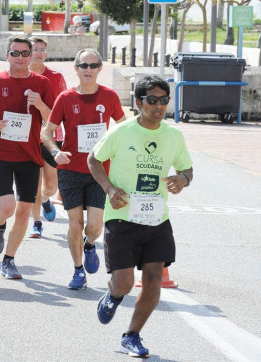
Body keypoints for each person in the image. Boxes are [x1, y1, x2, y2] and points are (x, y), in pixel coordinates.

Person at [87, 75, 193, 358]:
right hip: (121, 217)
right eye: (151, 100)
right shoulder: (121, 132)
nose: (158, 106)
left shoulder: (174, 136)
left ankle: (131, 335)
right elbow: (93, 159)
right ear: (138, 102)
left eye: (163, 101)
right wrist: (109, 188)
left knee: (154, 279)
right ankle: (113, 296)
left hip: (157, 219)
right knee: (123, 283)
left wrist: (182, 179)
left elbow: (187, 169)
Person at [41, 48, 125, 290]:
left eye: (93, 65)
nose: (88, 70)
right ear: (75, 69)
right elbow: (47, 131)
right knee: (74, 224)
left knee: (95, 226)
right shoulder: (65, 98)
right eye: (83, 65)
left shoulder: (109, 97)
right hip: (71, 170)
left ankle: (89, 244)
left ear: (100, 69)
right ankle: (78, 270)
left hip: (99, 171)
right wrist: (56, 152)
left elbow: (123, 127)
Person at [0, 35, 55, 279]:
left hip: (29, 154)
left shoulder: (42, 84)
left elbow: (52, 118)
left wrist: (40, 104)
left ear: (31, 56)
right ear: (7, 55)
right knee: (8, 207)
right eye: (15, 53)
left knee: (24, 211)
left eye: (24, 53)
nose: (20, 57)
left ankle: (9, 260)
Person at [28, 36, 67, 238]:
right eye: (35, 48)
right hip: (26, 137)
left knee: (51, 186)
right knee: (33, 182)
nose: (39, 52)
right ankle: (36, 223)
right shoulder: (20, 75)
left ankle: (45, 200)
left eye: (42, 49)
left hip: (51, 136)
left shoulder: (56, 77)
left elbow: (65, 106)